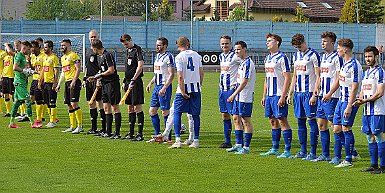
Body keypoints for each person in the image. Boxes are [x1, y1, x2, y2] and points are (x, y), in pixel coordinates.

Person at [287, 33, 321, 160]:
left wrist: (314, 93)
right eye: (296, 47)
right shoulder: (295, 55)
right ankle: (302, 151)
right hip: (298, 94)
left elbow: (318, 76)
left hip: (309, 93)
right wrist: (290, 93)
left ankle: (313, 152)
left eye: (299, 46)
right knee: (300, 121)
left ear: (304, 42)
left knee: (311, 121)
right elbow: (294, 76)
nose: (298, 48)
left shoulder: (313, 55)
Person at [260, 33, 293, 158]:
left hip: (279, 94)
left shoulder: (282, 57)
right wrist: (264, 95)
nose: (267, 43)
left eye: (270, 41)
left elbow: (287, 78)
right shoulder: (267, 58)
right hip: (269, 95)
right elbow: (266, 78)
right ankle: (275, 148)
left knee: (282, 120)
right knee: (272, 121)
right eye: (267, 41)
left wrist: (283, 96)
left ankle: (287, 150)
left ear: (277, 42)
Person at [354, 46, 385, 174]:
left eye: (370, 56)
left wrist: (365, 101)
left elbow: (380, 92)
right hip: (367, 111)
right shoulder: (366, 73)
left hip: (378, 110)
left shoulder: (380, 72)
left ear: (376, 57)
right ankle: (374, 165)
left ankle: (383, 167)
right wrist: (358, 100)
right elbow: (362, 91)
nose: (367, 59)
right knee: (369, 137)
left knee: (379, 136)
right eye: (366, 56)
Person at [312, 32, 343, 162]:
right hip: (321, 97)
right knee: (321, 125)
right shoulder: (323, 57)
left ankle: (340, 155)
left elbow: (340, 78)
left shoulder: (337, 57)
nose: (322, 43)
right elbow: (320, 76)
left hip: (332, 97)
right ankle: (325, 154)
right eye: (322, 41)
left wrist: (330, 93)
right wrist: (316, 89)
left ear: (332, 43)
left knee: (335, 126)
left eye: (325, 41)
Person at [169, 36, 203, 149]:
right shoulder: (197, 55)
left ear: (178, 45)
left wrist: (182, 91)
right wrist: (199, 85)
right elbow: (201, 72)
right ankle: (196, 140)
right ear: (188, 43)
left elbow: (180, 76)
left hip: (184, 88)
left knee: (177, 113)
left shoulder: (179, 57)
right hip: (196, 88)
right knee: (195, 115)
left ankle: (177, 140)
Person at [333, 38, 362, 168]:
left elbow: (355, 87)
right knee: (336, 128)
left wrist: (350, 106)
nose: (337, 49)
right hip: (341, 100)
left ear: (345, 49)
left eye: (338, 47)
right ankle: (353, 152)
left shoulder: (355, 65)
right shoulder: (344, 64)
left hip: (349, 101)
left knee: (346, 128)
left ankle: (348, 159)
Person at [226, 41, 255, 154]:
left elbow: (244, 82)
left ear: (244, 49)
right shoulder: (242, 63)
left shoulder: (248, 63)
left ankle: (246, 147)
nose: (236, 51)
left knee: (245, 120)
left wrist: (233, 94)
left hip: (245, 96)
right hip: (239, 96)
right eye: (235, 50)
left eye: (238, 49)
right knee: (236, 118)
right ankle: (238, 144)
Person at [89, 39, 122, 139]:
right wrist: (97, 77)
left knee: (114, 107)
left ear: (95, 48)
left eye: (92, 48)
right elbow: (102, 70)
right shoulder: (99, 56)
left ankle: (117, 133)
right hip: (104, 84)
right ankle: (108, 132)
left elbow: (111, 70)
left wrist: (98, 76)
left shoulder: (108, 55)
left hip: (112, 84)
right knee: (106, 107)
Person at [145, 37, 174, 141]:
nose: (157, 46)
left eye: (159, 45)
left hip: (164, 87)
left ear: (165, 46)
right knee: (152, 111)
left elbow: (171, 75)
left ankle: (168, 137)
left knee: (165, 112)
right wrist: (150, 83)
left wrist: (165, 87)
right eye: (156, 44)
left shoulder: (169, 56)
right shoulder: (157, 56)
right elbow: (157, 73)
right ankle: (158, 136)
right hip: (156, 87)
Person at [217, 35, 242, 148]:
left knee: (235, 116)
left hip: (231, 90)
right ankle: (227, 141)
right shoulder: (221, 56)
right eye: (222, 43)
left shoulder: (235, 56)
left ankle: (240, 142)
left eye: (226, 43)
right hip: (222, 90)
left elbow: (245, 64)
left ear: (230, 44)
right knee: (224, 115)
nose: (224, 45)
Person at [120, 34, 145, 141]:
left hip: (136, 82)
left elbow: (140, 66)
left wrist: (134, 79)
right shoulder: (127, 51)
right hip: (128, 82)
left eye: (126, 43)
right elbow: (127, 69)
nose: (125, 46)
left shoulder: (137, 50)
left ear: (130, 40)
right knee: (129, 107)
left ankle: (139, 134)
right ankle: (131, 132)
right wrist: (125, 81)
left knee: (137, 107)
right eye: (124, 44)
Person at [56, 39, 83, 134]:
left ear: (69, 45)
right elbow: (63, 72)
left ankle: (80, 126)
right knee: (69, 104)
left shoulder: (74, 55)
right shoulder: (63, 58)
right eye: (61, 45)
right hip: (67, 82)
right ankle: (72, 126)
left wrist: (74, 81)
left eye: (64, 45)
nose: (62, 47)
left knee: (74, 103)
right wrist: (59, 84)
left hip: (73, 81)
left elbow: (78, 69)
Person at [83, 30, 106, 135]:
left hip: (97, 80)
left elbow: (102, 68)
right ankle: (93, 127)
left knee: (100, 103)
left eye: (95, 37)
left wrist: (98, 79)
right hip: (89, 80)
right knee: (91, 103)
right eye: (91, 37)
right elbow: (87, 67)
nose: (93, 38)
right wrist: (84, 79)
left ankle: (103, 128)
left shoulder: (100, 52)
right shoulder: (88, 51)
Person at [8, 41, 34, 128]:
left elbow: (23, 69)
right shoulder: (19, 55)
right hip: (19, 83)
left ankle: (11, 122)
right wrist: (23, 71)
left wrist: (29, 72)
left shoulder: (23, 57)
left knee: (17, 102)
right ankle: (32, 122)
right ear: (24, 48)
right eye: (29, 49)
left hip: (22, 82)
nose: (29, 51)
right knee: (28, 100)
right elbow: (15, 67)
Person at [39, 40, 60, 128]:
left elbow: (57, 71)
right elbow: (43, 70)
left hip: (51, 83)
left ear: (50, 48)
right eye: (44, 47)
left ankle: (52, 121)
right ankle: (52, 119)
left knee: (52, 102)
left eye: (46, 47)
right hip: (45, 83)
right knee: (47, 102)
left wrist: (55, 83)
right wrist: (40, 81)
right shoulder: (44, 57)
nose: (44, 48)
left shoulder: (54, 58)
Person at [30, 40, 45, 127]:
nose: (32, 49)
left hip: (40, 79)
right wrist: (28, 61)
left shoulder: (43, 56)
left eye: (33, 47)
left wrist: (40, 80)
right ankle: (36, 117)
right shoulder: (32, 56)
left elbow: (43, 69)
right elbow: (33, 67)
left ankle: (39, 120)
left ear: (37, 47)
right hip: (34, 79)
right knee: (32, 97)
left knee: (39, 100)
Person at [2, 44, 15, 117]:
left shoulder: (13, 56)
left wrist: (6, 45)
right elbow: (5, 66)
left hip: (11, 77)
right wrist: (2, 75)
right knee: (5, 94)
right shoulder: (5, 57)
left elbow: (10, 52)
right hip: (5, 77)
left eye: (6, 49)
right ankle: (8, 111)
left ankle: (16, 110)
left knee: (12, 95)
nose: (5, 50)